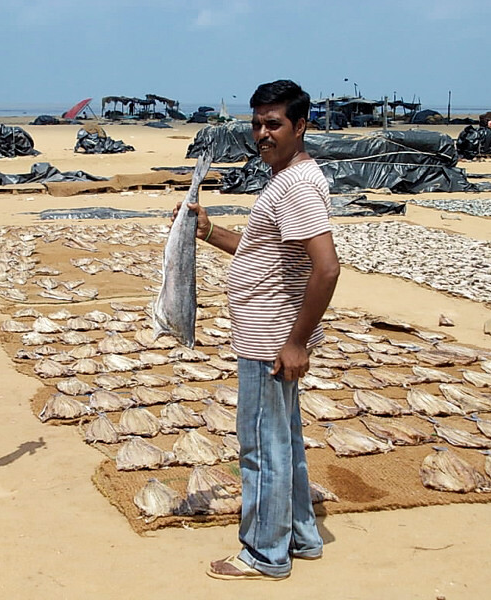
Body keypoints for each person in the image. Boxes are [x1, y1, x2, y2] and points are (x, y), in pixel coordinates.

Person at [180, 80, 340, 580]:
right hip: (268, 331)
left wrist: (294, 343)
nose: (262, 134)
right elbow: (262, 253)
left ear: (301, 126)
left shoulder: (295, 185)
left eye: (274, 124)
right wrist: (207, 231)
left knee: (261, 446)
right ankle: (301, 536)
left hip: (271, 338)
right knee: (283, 440)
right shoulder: (289, 178)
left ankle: (264, 554)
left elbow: (328, 268)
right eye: (257, 123)